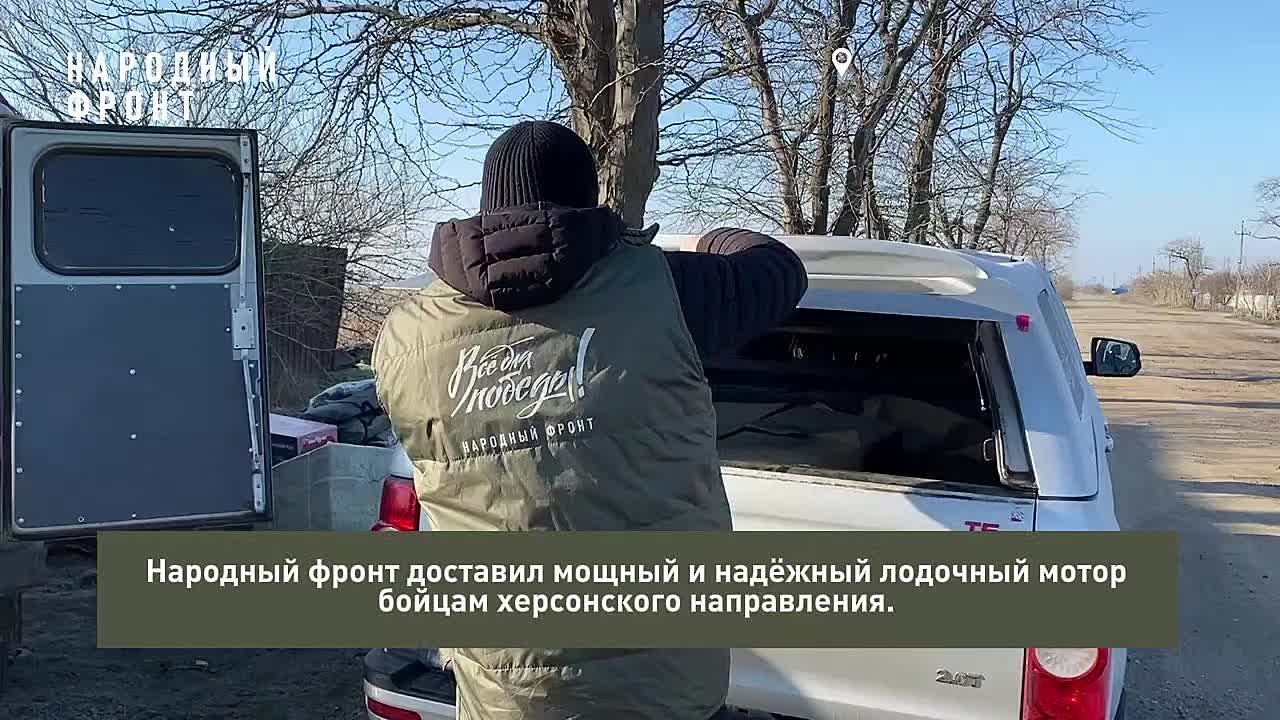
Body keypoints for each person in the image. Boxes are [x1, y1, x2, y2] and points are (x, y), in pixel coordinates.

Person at [373, 120, 808, 720]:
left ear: (486, 205)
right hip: (665, 692)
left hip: (504, 697)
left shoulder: (404, 337)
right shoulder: (670, 289)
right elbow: (779, 270)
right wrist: (714, 240)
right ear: (588, 199)